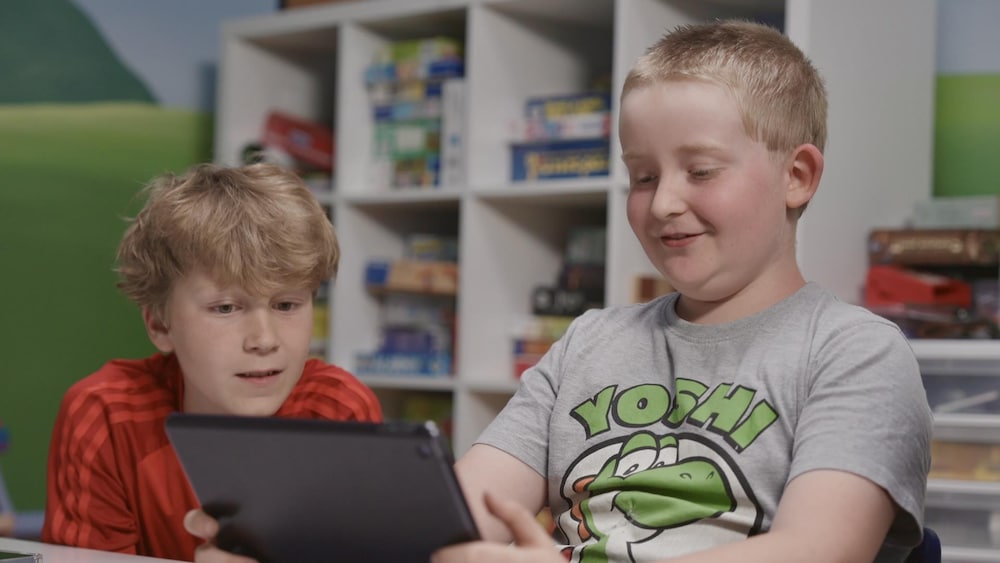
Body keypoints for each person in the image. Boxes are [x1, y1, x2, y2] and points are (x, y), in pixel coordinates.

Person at [186, 19, 933, 563]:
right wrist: (289, 538)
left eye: (701, 171)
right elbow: (460, 512)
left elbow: (816, 551)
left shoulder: (855, 353)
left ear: (797, 176)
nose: (664, 202)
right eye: (642, 175)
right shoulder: (591, 342)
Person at [41, 163, 382, 561]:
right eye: (225, 308)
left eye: (286, 305)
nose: (265, 340)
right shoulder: (106, 417)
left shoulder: (339, 413)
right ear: (159, 324)